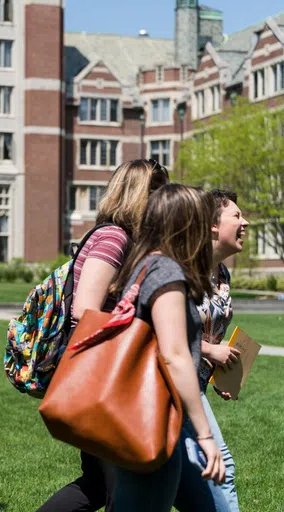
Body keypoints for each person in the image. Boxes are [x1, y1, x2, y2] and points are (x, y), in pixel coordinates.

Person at [38, 158, 170, 512]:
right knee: (119, 488)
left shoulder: (123, 238)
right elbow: (85, 310)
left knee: (96, 485)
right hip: (100, 378)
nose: (163, 203)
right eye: (158, 193)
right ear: (139, 195)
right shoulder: (114, 238)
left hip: (98, 374)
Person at [109, 184, 228, 511]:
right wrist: (205, 436)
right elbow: (176, 357)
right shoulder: (167, 273)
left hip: (141, 417)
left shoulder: (145, 265)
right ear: (187, 225)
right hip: (152, 420)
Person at [195, 189, 249, 512]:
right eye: (237, 216)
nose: (246, 222)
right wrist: (208, 351)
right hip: (173, 382)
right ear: (213, 225)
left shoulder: (223, 274)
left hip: (197, 384)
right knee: (221, 466)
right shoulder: (186, 269)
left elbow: (210, 332)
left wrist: (218, 372)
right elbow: (165, 331)